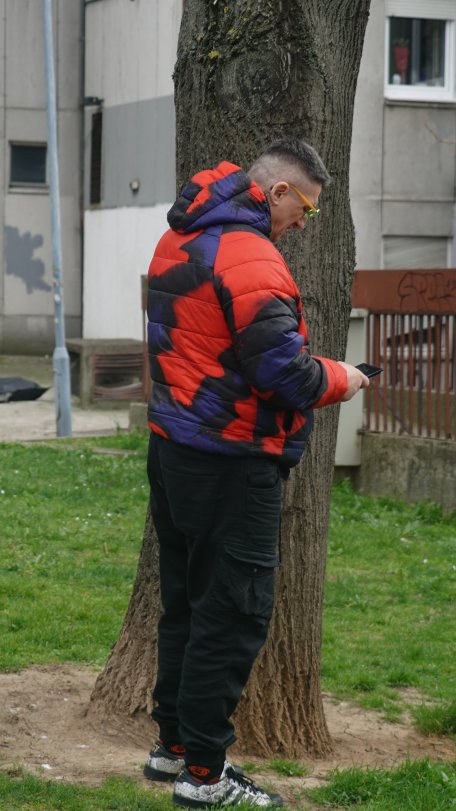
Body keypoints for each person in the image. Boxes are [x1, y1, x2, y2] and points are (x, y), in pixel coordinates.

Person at [143, 139, 369, 809]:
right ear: (277, 193)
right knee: (232, 615)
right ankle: (204, 774)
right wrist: (346, 376)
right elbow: (285, 377)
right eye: (306, 209)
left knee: (186, 604)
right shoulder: (251, 258)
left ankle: (173, 745)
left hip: (174, 451)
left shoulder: (178, 237)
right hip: (231, 462)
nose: (304, 223)